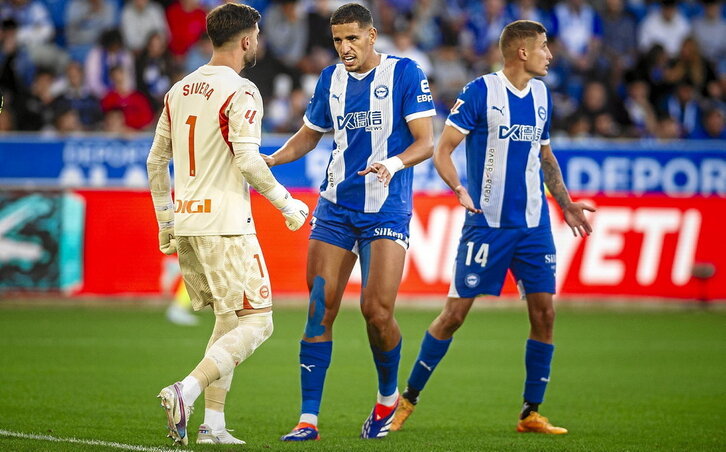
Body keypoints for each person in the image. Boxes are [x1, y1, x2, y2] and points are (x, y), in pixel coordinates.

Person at [391, 20, 595, 435]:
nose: (550, 55)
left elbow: (546, 157)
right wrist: (458, 189)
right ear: (522, 51)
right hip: (487, 225)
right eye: (543, 47)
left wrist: (566, 202)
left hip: (533, 226)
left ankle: (530, 413)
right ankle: (405, 400)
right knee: (453, 316)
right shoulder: (481, 91)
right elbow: (443, 150)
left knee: (545, 314)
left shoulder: (541, 94)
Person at [270, 2, 436, 441]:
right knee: (319, 308)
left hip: (386, 206)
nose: (345, 48)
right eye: (338, 40)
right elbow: (311, 133)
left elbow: (426, 142)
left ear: (372, 36)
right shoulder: (330, 79)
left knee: (376, 312)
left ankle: (386, 399)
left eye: (352, 39)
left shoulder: (404, 73)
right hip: (336, 208)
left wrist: (393, 164)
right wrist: (272, 159)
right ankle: (308, 420)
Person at [146, 3, 309, 446]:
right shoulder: (241, 90)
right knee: (259, 323)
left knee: (227, 319)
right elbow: (247, 158)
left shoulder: (178, 90)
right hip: (226, 223)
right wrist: (284, 202)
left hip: (188, 223)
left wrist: (166, 220)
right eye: (256, 34)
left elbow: (155, 161)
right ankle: (186, 390)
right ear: (246, 40)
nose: (257, 41)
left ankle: (212, 424)